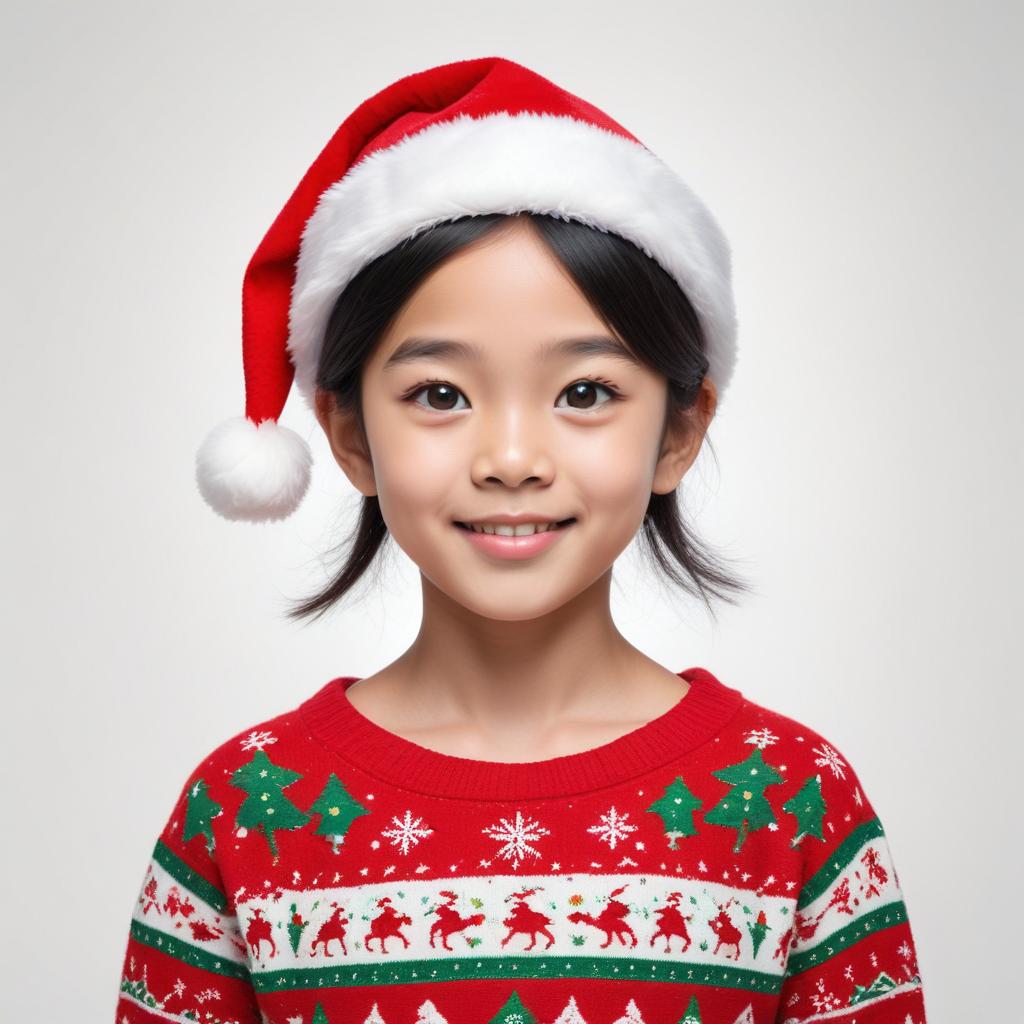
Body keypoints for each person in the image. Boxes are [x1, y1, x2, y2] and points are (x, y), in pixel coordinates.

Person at [114, 56, 927, 1024]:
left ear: (677, 430)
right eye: (439, 395)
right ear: (345, 436)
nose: (509, 457)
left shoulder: (792, 796)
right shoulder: (245, 806)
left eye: (584, 393)